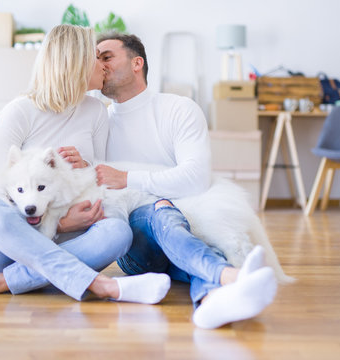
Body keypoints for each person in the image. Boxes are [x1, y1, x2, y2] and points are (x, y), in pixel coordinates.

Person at [0, 25, 170, 305]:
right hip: (14, 245)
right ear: (75, 62)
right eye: (96, 57)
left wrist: (87, 167)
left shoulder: (95, 112)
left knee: (118, 233)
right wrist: (61, 224)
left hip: (77, 242)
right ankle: (101, 285)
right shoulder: (19, 112)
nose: (103, 66)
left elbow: (100, 181)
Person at [95, 33, 278, 329]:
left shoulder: (178, 109)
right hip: (135, 247)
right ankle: (231, 276)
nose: (99, 66)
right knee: (160, 210)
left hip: (186, 233)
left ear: (137, 63)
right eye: (96, 60)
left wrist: (127, 178)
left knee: (191, 248)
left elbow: (195, 179)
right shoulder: (97, 122)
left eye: (106, 57)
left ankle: (210, 302)